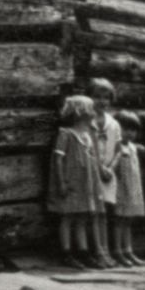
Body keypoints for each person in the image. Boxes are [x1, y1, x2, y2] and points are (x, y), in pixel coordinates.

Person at [48, 94, 100, 263]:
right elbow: (58, 159)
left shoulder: (88, 135)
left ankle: (83, 252)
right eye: (89, 109)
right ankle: (66, 252)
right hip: (70, 182)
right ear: (79, 112)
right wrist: (61, 182)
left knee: (82, 217)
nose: (93, 112)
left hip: (84, 184)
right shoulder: (66, 134)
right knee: (67, 216)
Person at [87, 77, 126, 266]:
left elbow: (118, 150)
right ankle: (97, 251)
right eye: (97, 97)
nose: (101, 101)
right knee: (94, 212)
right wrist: (99, 167)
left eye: (106, 98)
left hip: (108, 175)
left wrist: (110, 168)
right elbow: (86, 149)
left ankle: (105, 250)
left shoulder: (114, 124)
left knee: (105, 213)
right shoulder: (86, 121)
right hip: (90, 172)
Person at [110, 110, 145, 265]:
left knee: (128, 221)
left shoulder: (133, 148)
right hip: (120, 189)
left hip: (133, 189)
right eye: (126, 129)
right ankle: (117, 251)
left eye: (133, 130)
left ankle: (128, 250)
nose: (130, 133)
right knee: (119, 220)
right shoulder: (116, 146)